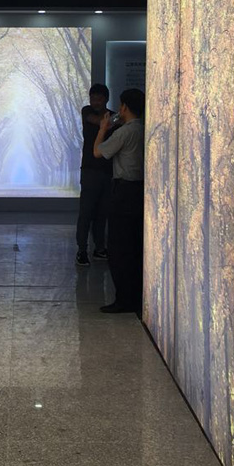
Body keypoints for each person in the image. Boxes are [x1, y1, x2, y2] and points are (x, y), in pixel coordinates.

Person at [93, 88, 145, 313]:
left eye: (121, 106)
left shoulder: (124, 132)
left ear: (124, 107)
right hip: (139, 191)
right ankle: (136, 298)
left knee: (118, 247)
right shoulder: (143, 129)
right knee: (134, 246)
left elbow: (98, 152)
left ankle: (123, 299)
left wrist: (103, 129)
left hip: (123, 192)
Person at [75, 83, 114, 266]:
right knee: (86, 212)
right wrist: (114, 121)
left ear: (106, 99)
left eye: (99, 99)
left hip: (108, 170)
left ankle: (99, 248)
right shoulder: (87, 111)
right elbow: (100, 122)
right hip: (89, 170)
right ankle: (82, 250)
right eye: (93, 98)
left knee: (102, 213)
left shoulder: (113, 116)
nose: (95, 102)